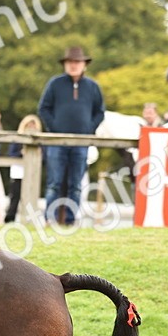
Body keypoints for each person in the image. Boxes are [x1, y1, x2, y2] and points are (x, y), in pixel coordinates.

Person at [37, 46, 105, 225]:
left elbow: (100, 112)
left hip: (81, 143)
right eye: (70, 62)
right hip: (57, 142)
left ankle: (69, 220)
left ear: (84, 65)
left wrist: (88, 130)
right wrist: (54, 129)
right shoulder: (55, 83)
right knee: (54, 183)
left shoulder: (92, 87)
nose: (73, 65)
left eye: (77, 62)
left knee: (76, 185)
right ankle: (49, 219)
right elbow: (43, 108)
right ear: (65, 64)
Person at [4, 114, 42, 223]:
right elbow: (11, 154)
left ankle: (30, 220)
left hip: (32, 173)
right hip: (18, 172)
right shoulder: (17, 139)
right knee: (15, 197)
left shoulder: (38, 141)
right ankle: (9, 219)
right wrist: (22, 154)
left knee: (31, 198)